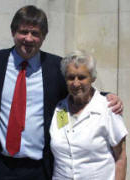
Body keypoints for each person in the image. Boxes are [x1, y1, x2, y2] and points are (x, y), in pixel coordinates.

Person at [0, 5, 123, 180]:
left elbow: (78, 86)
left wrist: (106, 96)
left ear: (44, 37)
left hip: (41, 168)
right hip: (1, 166)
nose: (29, 39)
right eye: (23, 32)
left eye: (35, 33)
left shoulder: (55, 67)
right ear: (13, 32)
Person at [50, 50, 127, 180]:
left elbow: (120, 157)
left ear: (92, 78)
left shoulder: (108, 109)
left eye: (81, 77)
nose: (76, 83)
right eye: (71, 77)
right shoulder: (59, 108)